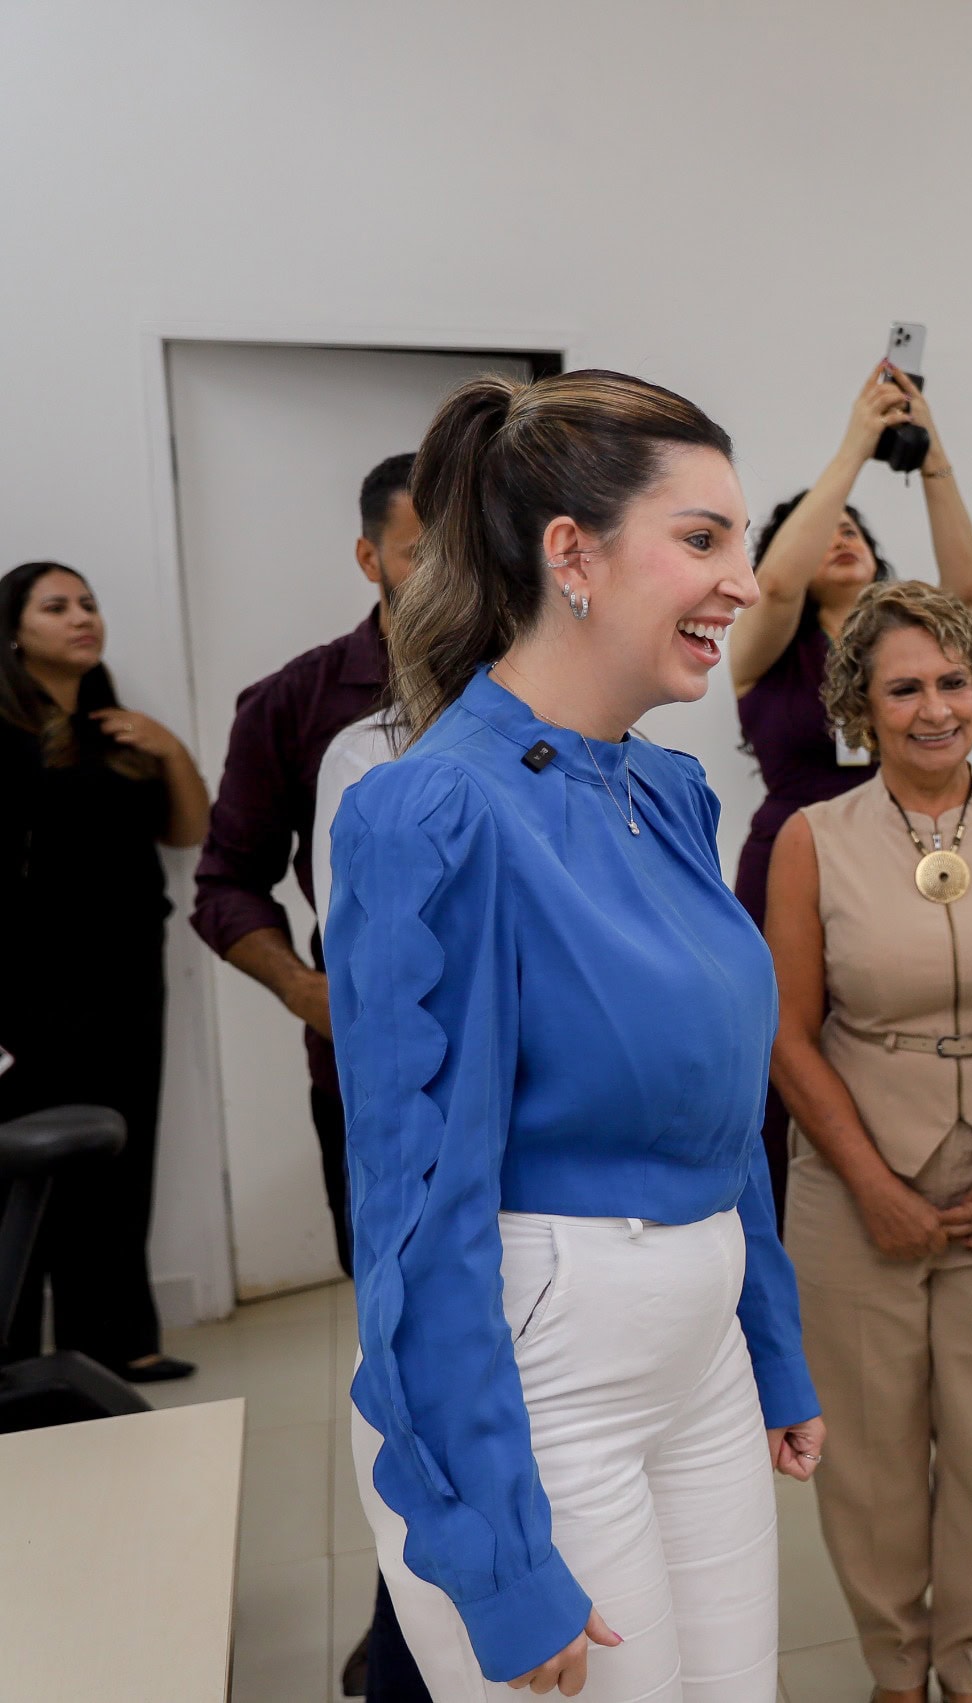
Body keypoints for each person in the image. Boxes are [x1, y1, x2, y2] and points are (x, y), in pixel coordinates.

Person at [329, 370, 823, 1700]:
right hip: (548, 1374)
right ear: (573, 554)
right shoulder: (434, 812)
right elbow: (414, 1215)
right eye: (703, 537)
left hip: (700, 1354)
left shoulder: (666, 791)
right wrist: (492, 1551)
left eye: (740, 541)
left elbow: (720, 1107)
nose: (744, 582)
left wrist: (772, 1345)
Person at [764, 579, 972, 1703]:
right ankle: (896, 1668)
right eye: (903, 688)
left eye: (953, 682)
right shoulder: (811, 840)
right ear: (860, 706)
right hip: (855, 1178)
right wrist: (870, 1183)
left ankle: (971, 1664)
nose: (935, 708)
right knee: (867, 1452)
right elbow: (786, 1033)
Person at [727, 364, 972, 1208]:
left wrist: (927, 448)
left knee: (896, 1037)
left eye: (854, 526)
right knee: (782, 1051)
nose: (841, 534)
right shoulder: (767, 642)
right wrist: (854, 446)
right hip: (788, 858)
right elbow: (775, 583)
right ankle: (782, 1235)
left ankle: (913, 1189)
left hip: (900, 850)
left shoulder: (906, 648)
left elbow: (964, 589)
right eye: (822, 528)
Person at [192, 451, 419, 1282]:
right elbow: (226, 882)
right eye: (421, 554)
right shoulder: (296, 703)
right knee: (398, 1303)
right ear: (370, 558)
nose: (451, 577)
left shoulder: (538, 684)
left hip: (536, 1055)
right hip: (371, 1063)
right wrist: (302, 989)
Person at [0, 560, 209, 1382]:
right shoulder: (6, 735)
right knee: (30, 1164)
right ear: (14, 632)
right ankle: (15, 1354)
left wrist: (171, 748)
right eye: (56, 607)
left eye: (87, 604)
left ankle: (118, 1338)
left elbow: (187, 831)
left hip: (126, 970)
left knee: (122, 1151)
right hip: (29, 984)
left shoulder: (117, 731)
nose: (81, 617)